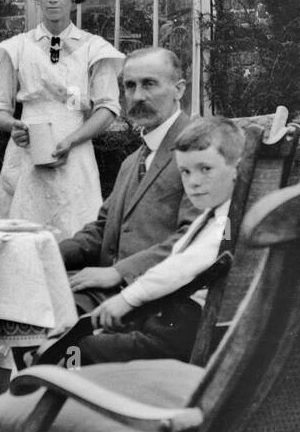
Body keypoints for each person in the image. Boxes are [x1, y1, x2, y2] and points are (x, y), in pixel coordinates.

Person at [76, 117, 244, 364]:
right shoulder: (211, 215)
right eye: (185, 172)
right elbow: (174, 259)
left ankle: (62, 386)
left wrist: (127, 299)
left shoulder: (227, 224)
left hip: (187, 331)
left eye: (205, 169)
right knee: (84, 337)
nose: (193, 182)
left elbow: (183, 266)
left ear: (237, 170)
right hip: (168, 316)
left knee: (84, 349)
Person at [0, 0, 124, 238]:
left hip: (75, 149)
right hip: (27, 152)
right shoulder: (17, 48)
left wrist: (73, 139)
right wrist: (13, 126)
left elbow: (107, 108)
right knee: (22, 237)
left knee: (75, 232)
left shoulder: (94, 48)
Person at [58, 47, 200, 315]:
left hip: (160, 302)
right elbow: (102, 230)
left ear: (179, 90)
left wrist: (119, 272)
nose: (137, 96)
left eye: (149, 84)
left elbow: (196, 237)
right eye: (129, 86)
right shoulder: (132, 161)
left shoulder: (199, 151)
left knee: (45, 313)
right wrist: (51, 254)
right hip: (109, 294)